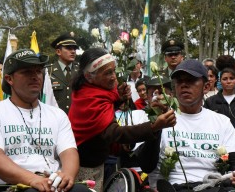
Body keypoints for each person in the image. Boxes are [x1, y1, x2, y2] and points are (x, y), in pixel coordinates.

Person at [0, 49, 90, 192]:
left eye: (38, 71)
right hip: (9, 186)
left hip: (51, 184)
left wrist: (66, 176)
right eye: (27, 72)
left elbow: (69, 152)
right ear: (9, 79)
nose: (35, 76)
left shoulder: (57, 114)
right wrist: (33, 179)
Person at [68, 47, 176, 191]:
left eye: (113, 70)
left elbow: (104, 112)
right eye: (107, 73)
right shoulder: (89, 98)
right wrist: (154, 126)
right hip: (83, 168)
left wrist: (117, 99)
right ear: (89, 77)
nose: (114, 77)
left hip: (97, 163)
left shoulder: (98, 91)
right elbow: (113, 133)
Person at [148, 59, 235, 192]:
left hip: (213, 186)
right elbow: (147, 164)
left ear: (206, 87)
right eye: (179, 81)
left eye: (191, 80)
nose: (184, 85)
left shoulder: (221, 122)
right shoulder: (161, 119)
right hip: (174, 187)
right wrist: (155, 129)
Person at [48, 32, 79, 114]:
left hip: (76, 122)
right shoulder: (48, 72)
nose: (73, 51)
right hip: (54, 120)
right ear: (58, 52)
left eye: (74, 49)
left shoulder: (81, 72)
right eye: (68, 48)